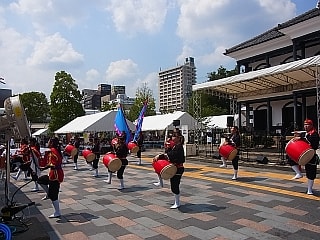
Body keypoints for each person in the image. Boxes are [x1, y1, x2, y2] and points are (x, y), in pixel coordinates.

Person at [37, 137, 64, 218]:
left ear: (51, 143)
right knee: (40, 180)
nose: (47, 143)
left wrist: (43, 168)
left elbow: (53, 164)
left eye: (48, 141)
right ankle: (48, 194)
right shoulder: (54, 150)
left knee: (54, 195)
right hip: (53, 173)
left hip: (55, 175)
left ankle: (57, 212)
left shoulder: (53, 151)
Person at [299, 119, 319, 195]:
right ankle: (298, 173)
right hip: (303, 154)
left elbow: (314, 145)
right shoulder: (303, 134)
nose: (306, 126)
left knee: (311, 172)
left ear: (311, 125)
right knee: (291, 158)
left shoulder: (314, 134)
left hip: (311, 155)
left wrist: (302, 139)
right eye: (305, 125)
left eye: (307, 125)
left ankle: (309, 189)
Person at [166, 131, 185, 209]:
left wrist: (165, 155)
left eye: (173, 136)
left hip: (178, 168)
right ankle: (176, 202)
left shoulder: (179, 146)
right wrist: (167, 148)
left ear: (178, 138)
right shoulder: (175, 146)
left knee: (175, 185)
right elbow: (170, 154)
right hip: (175, 168)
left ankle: (177, 203)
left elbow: (173, 155)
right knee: (174, 185)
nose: (172, 138)